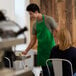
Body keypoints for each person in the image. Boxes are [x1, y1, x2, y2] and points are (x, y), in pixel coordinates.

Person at [22, 3, 58, 76]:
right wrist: (26, 50)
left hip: (51, 50)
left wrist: (57, 44)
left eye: (31, 14)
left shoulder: (49, 19)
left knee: (53, 71)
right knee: (45, 72)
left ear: (36, 12)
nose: (30, 16)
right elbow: (33, 41)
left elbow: (58, 31)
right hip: (41, 51)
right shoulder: (35, 25)